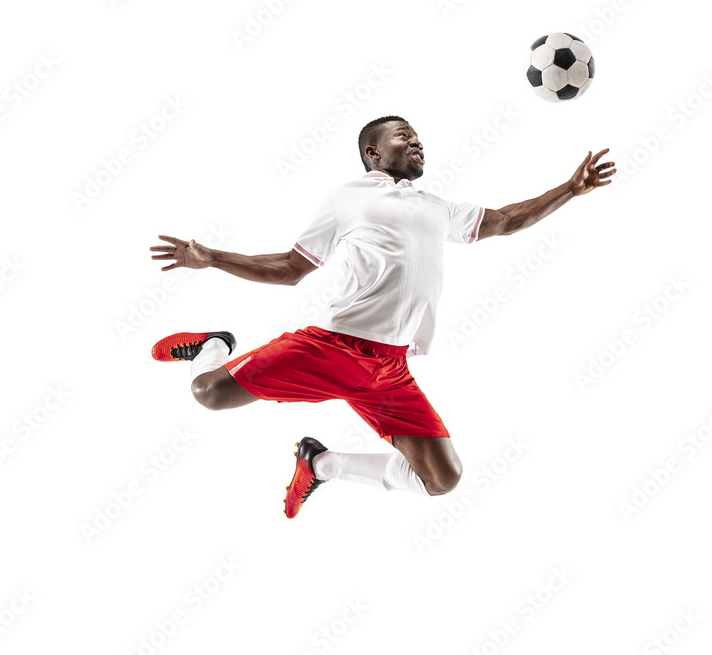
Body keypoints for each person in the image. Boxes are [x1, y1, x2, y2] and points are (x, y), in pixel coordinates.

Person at [149, 116, 615, 518]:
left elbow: (507, 219)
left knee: (441, 477)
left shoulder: (437, 207)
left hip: (388, 368)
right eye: (404, 136)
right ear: (373, 152)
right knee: (208, 393)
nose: (417, 142)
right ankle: (212, 346)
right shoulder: (346, 197)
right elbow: (290, 269)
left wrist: (571, 190)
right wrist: (212, 257)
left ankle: (320, 465)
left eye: (418, 138)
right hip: (331, 347)